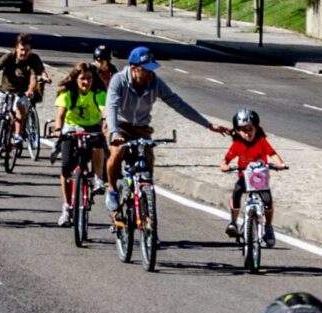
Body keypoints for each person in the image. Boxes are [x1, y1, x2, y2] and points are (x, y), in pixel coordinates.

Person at [103, 46, 230, 211]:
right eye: (146, 70)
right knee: (117, 152)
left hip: (141, 128)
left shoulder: (155, 83)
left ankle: (146, 209)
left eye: (152, 69)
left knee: (147, 165)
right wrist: (114, 132)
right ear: (134, 68)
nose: (150, 73)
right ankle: (112, 189)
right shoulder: (119, 80)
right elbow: (111, 107)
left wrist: (207, 124)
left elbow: (178, 104)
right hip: (120, 125)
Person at [52, 63, 108, 226]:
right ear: (76, 79)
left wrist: (105, 122)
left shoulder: (98, 92)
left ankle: (98, 178)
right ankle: (67, 207)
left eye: (89, 78)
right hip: (72, 127)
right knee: (66, 167)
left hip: (93, 126)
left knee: (98, 143)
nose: (86, 82)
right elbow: (60, 115)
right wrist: (57, 129)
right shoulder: (67, 92)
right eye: (83, 79)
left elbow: (104, 109)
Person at [220, 109, 287, 247]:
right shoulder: (237, 144)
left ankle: (268, 227)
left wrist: (280, 164)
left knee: (267, 201)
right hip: (244, 177)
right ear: (237, 131)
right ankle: (233, 222)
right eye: (243, 130)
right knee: (236, 193)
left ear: (256, 128)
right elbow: (226, 160)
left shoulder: (261, 141)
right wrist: (225, 166)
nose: (247, 133)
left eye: (250, 129)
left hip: (259, 179)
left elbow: (273, 154)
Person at [0, 33, 45, 155]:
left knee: (20, 105)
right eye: (22, 50)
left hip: (21, 92)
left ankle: (17, 135)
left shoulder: (32, 60)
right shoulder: (8, 57)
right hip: (5, 90)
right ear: (16, 48)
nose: (24, 53)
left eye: (27, 50)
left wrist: (30, 90)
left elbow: (33, 78)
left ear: (31, 50)